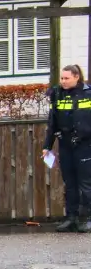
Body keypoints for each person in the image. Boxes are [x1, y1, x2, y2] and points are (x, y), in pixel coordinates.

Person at [41, 64, 91, 233]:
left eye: (66, 78)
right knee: (70, 183)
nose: (63, 81)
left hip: (85, 144)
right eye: (62, 78)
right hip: (66, 144)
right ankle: (72, 218)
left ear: (77, 77)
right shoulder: (57, 94)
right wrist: (47, 146)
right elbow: (52, 122)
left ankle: (89, 218)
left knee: (86, 184)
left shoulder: (88, 93)